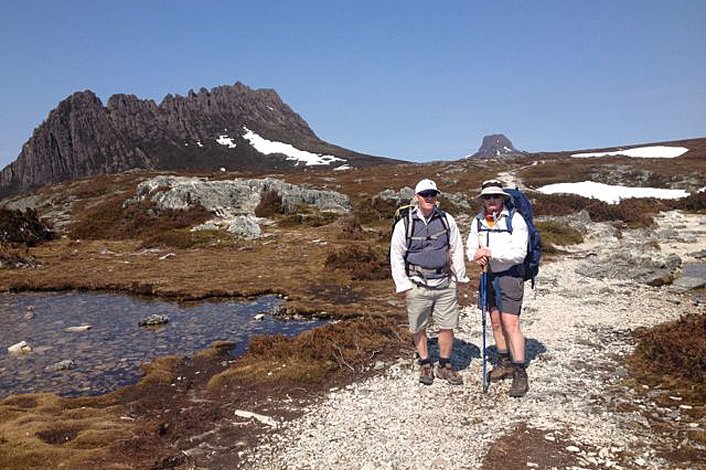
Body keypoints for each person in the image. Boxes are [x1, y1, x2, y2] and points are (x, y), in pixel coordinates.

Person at [390, 178, 469, 385]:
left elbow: (456, 247)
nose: (429, 198)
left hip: (444, 282)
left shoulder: (447, 220)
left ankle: (444, 365)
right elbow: (396, 255)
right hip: (417, 283)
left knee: (447, 325)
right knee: (418, 327)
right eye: (425, 194)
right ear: (417, 197)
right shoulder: (404, 224)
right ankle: (425, 363)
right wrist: (404, 285)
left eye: (433, 194)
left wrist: (459, 276)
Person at [466, 179, 529, 397]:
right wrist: (476, 255)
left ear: (503, 198)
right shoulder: (478, 221)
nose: (491, 200)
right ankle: (504, 361)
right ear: (482, 200)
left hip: (510, 276)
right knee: (494, 320)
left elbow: (520, 253)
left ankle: (520, 371)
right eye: (487, 197)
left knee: (510, 323)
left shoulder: (516, 220)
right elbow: (471, 247)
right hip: (488, 275)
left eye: (495, 196)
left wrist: (491, 253)